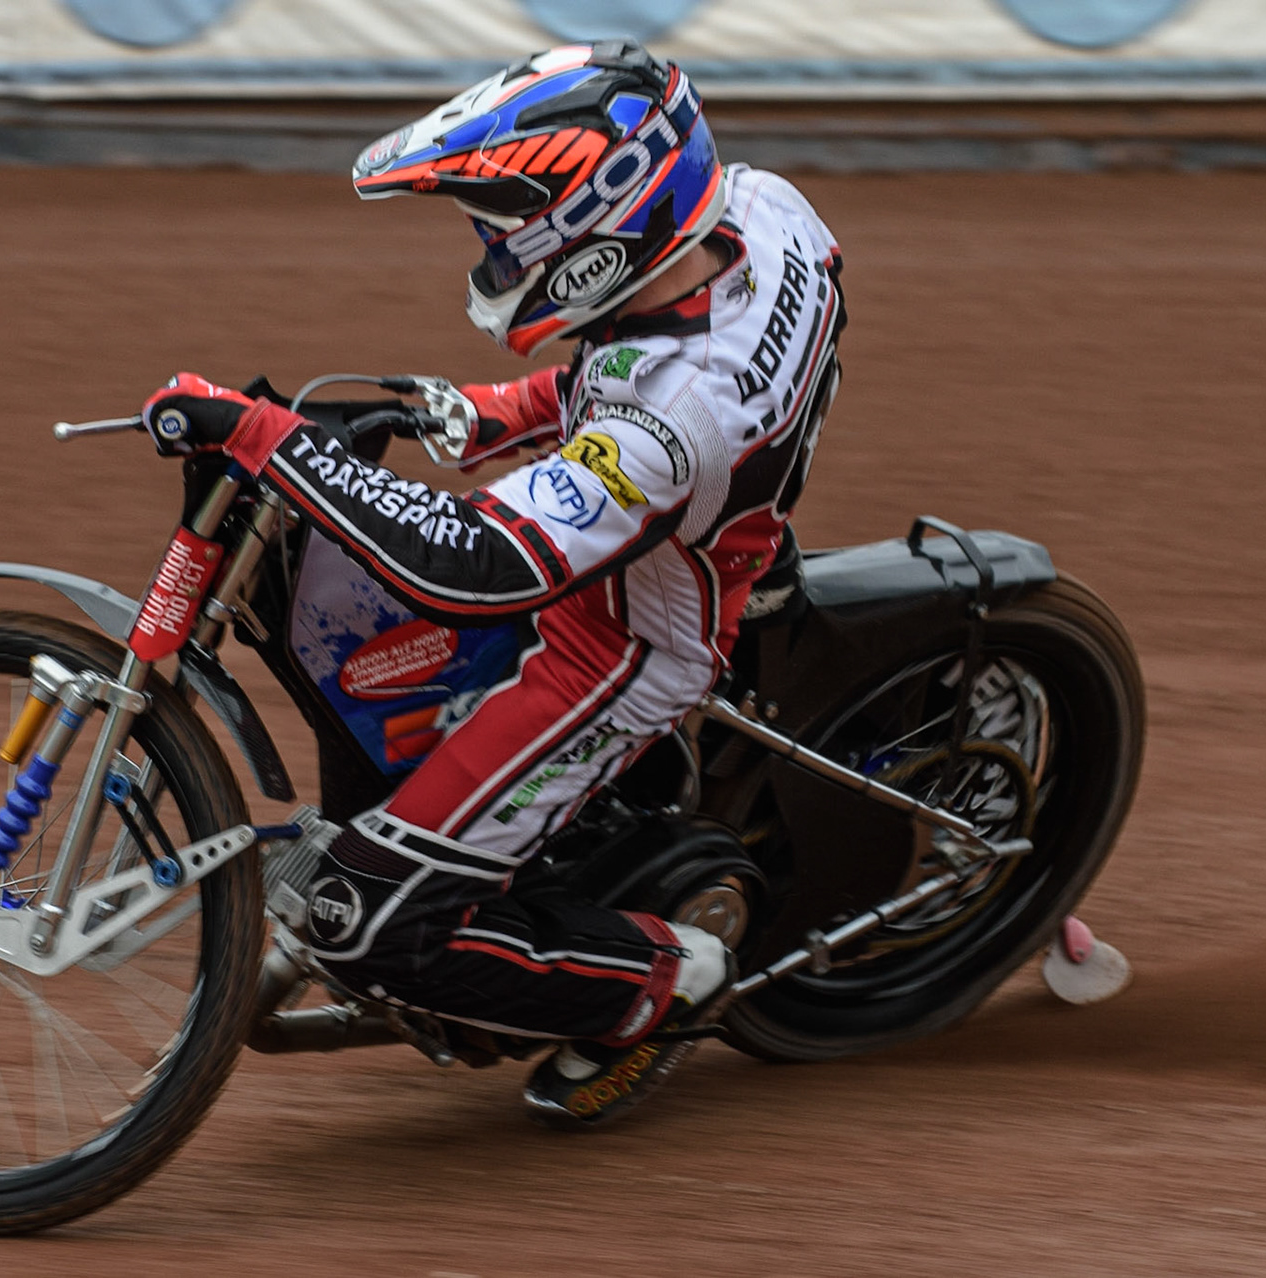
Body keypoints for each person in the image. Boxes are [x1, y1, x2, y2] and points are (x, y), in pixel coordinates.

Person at [140, 40, 844, 1127]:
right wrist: (487, 413)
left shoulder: (676, 419)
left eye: (506, 222)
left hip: (618, 652)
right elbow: (637, 358)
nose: (490, 244)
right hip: (687, 520)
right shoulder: (759, 211)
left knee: (359, 920)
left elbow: (481, 566)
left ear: (602, 218)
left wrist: (273, 440)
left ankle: (656, 984)